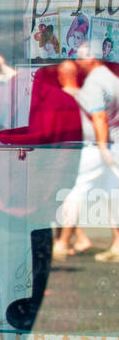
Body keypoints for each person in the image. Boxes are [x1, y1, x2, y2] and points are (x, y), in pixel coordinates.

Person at [53, 54, 119, 262]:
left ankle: (63, 242)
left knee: (74, 194)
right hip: (100, 148)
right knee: (111, 193)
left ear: (60, 75)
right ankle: (93, 240)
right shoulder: (83, 92)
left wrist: (102, 148)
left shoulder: (66, 96)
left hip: (87, 149)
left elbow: (99, 118)